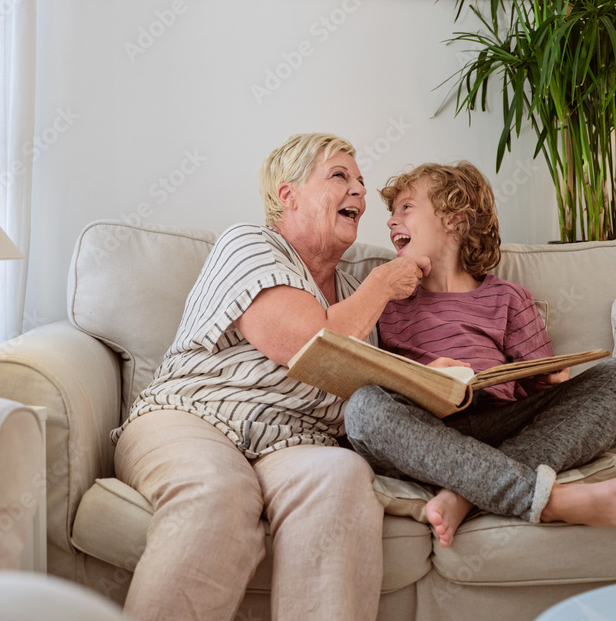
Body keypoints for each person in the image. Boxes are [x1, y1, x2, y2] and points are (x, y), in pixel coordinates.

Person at [111, 133, 429, 621]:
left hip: (295, 442)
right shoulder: (251, 244)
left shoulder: (352, 291)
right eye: (340, 176)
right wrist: (384, 282)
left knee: (341, 475)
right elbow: (308, 344)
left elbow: (371, 394)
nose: (360, 193)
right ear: (288, 195)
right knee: (220, 492)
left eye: (362, 183)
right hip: (192, 418)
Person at [344, 161, 616, 549]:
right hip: (424, 436)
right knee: (363, 407)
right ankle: (543, 499)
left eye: (406, 207)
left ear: (454, 220)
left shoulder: (509, 298)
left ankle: (465, 494)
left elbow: (544, 397)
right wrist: (420, 376)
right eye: (391, 213)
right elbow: (364, 375)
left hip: (501, 426)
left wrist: (547, 382)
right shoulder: (384, 296)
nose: (391, 221)